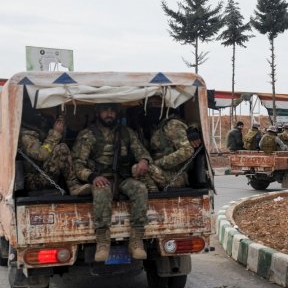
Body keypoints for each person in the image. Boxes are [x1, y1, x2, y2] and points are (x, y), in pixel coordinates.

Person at [71, 103, 152, 262]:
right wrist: (92, 176)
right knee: (102, 190)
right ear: (98, 112)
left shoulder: (127, 133)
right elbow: (77, 164)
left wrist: (143, 161)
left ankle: (136, 240)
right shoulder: (88, 135)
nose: (109, 114)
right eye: (105, 110)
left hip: (122, 178)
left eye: (112, 111)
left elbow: (142, 152)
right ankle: (103, 241)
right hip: (100, 178)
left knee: (141, 188)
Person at [18, 109, 91, 196]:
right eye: (37, 113)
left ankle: (74, 185)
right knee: (61, 148)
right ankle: (73, 186)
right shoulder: (25, 136)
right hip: (34, 181)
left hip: (44, 175)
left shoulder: (36, 131)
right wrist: (56, 133)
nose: (40, 116)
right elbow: (41, 155)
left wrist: (60, 128)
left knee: (61, 147)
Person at [146, 101, 201, 190]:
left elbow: (187, 150)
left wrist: (160, 163)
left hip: (176, 175)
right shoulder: (158, 126)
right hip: (163, 173)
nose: (153, 107)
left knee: (141, 169)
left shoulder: (173, 124)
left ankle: (156, 200)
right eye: (150, 105)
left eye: (157, 103)